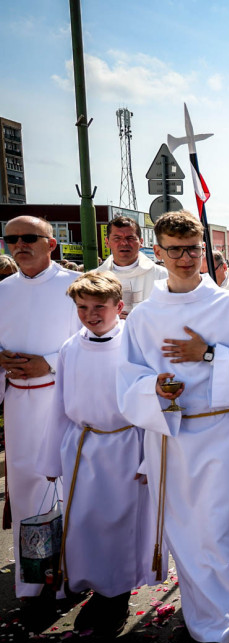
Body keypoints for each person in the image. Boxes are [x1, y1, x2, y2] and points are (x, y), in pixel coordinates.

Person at [117, 210, 229, 643]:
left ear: (204, 248)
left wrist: (206, 354)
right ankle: (201, 619)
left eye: (193, 249)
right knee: (185, 531)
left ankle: (222, 633)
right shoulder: (144, 317)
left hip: (221, 429)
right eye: (174, 249)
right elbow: (128, 380)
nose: (185, 258)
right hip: (170, 435)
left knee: (222, 529)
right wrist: (156, 391)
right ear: (158, 251)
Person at [37, 271, 152, 636]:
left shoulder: (135, 346)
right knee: (83, 522)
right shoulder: (71, 347)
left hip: (124, 445)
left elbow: (150, 405)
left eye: (99, 307)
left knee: (117, 523)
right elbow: (59, 405)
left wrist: (150, 458)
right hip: (82, 444)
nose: (90, 314)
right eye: (82, 307)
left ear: (119, 306)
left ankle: (114, 596)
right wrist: (51, 458)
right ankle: (85, 581)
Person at [0, 217, 81, 610]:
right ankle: (32, 583)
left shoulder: (72, 287)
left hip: (60, 400)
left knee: (66, 488)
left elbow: (90, 340)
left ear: (51, 244)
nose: (19, 245)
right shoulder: (3, 290)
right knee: (25, 488)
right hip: (17, 401)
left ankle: (70, 577)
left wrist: (48, 363)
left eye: (28, 238)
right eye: (11, 239)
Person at [94, 214, 168, 315]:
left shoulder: (162, 276)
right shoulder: (94, 278)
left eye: (130, 238)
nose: (124, 243)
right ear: (107, 242)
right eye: (117, 238)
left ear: (141, 242)